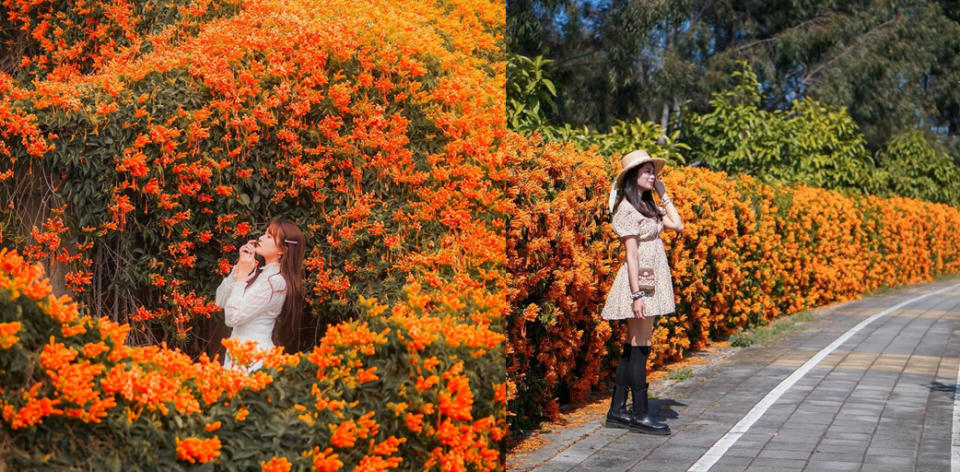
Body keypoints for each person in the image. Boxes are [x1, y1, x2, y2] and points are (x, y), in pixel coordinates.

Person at [601, 149, 684, 435]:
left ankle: (616, 411)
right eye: (647, 172)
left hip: (651, 279)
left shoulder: (647, 206)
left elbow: (678, 225)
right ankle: (639, 414)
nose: (653, 176)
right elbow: (631, 255)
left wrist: (663, 193)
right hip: (641, 284)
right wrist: (636, 296)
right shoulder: (626, 209)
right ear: (632, 177)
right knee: (640, 345)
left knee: (634, 344)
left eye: (653, 171)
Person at [215, 217, 305, 371]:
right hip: (239, 353)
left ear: (283, 250)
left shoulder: (276, 282)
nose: (261, 238)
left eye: (269, 236)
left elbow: (232, 318)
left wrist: (242, 276)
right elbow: (220, 301)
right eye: (264, 233)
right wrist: (239, 269)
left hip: (253, 358)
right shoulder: (259, 273)